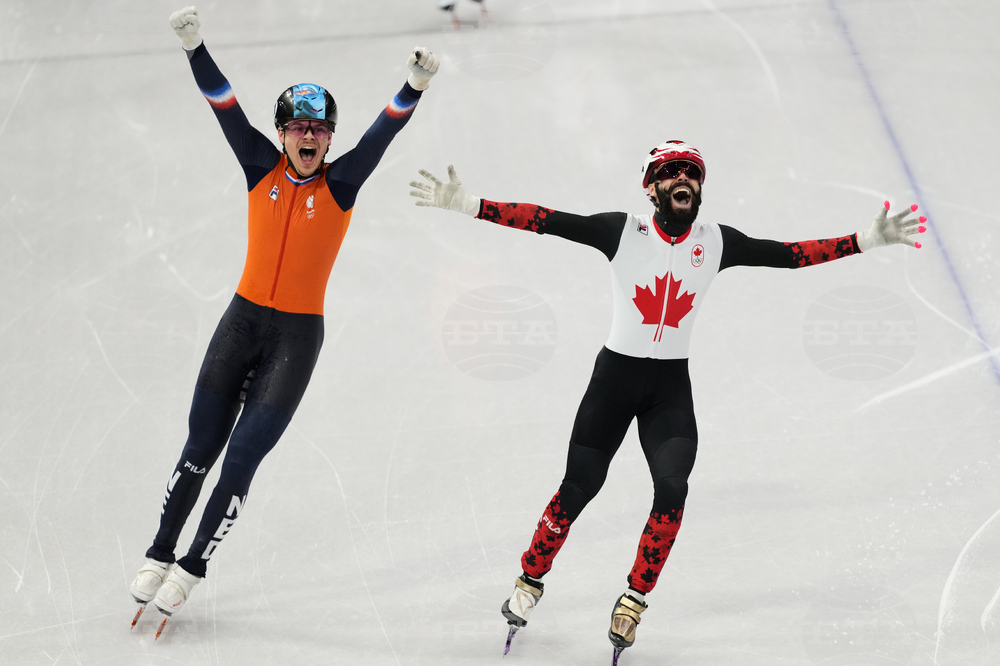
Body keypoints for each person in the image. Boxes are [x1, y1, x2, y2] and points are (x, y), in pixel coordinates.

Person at [409, 141, 926, 659]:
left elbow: (789, 256)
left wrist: (863, 239)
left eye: (692, 173)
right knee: (579, 487)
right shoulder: (622, 232)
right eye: (670, 172)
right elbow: (544, 220)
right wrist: (469, 204)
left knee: (673, 487)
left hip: (668, 392)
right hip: (614, 381)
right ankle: (530, 578)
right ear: (651, 187)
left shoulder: (717, 242)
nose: (683, 179)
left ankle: (633, 599)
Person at [128, 6, 439, 627]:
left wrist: (413, 88)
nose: (308, 137)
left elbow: (384, 132)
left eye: (319, 130)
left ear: (329, 138)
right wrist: (195, 48)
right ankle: (159, 552)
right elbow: (224, 104)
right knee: (199, 449)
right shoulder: (258, 166)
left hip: (295, 340)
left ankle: (190, 567)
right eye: (298, 127)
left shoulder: (342, 183)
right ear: (282, 134)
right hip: (240, 325)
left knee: (240, 461)